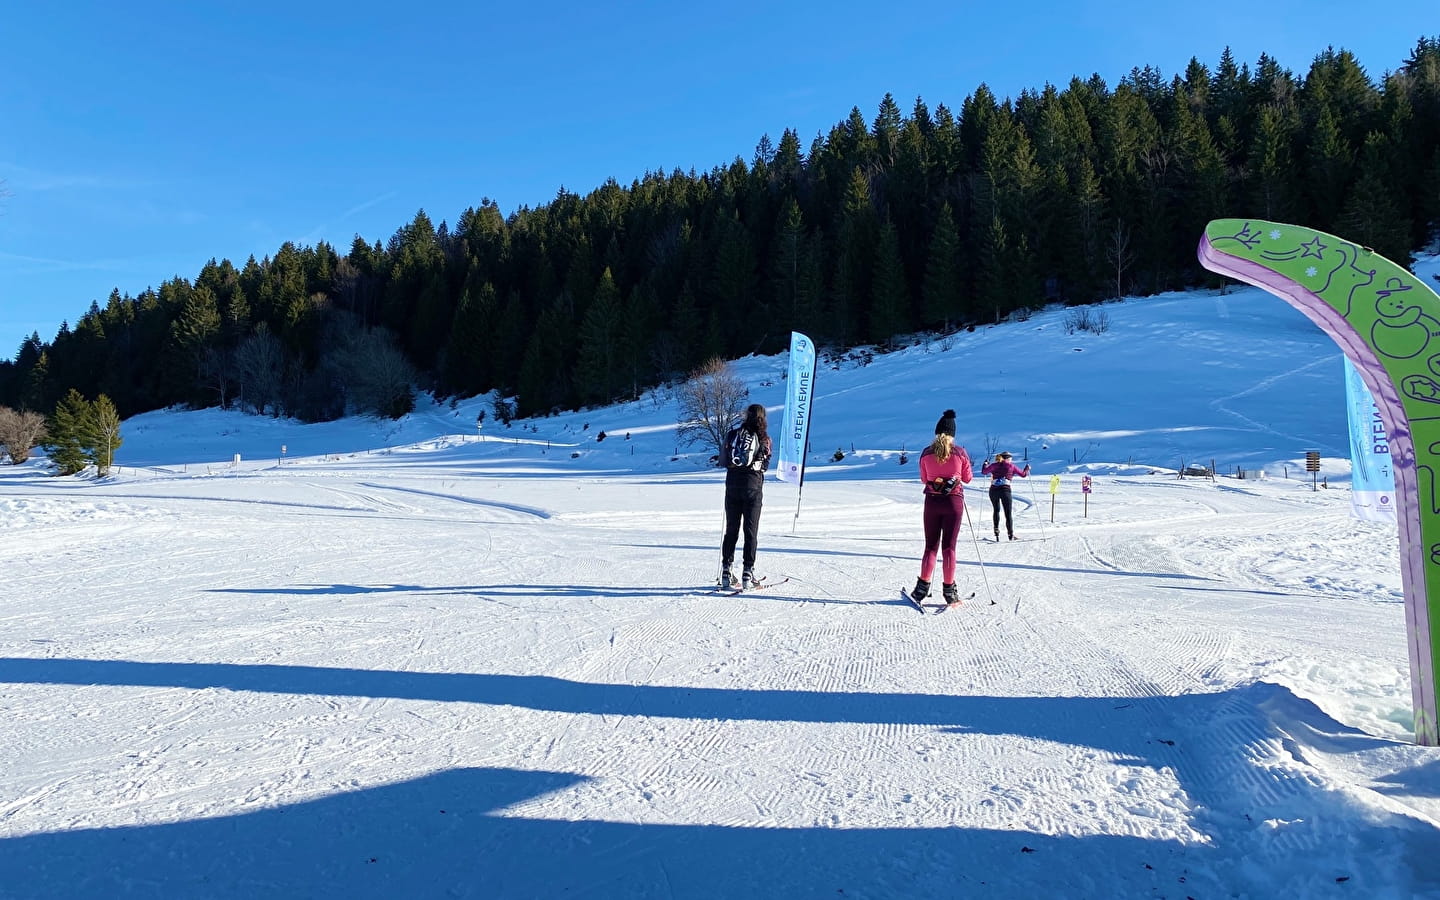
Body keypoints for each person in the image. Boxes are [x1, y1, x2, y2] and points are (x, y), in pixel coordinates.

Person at [912, 409, 973, 606]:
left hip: (932, 501)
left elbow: (923, 479)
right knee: (949, 547)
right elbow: (968, 478)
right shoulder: (960, 452)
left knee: (930, 546)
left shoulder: (926, 453)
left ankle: (922, 588)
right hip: (953, 502)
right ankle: (949, 591)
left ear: (936, 432)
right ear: (953, 434)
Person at [719, 403, 773, 590]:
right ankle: (747, 572)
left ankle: (726, 570)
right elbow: (765, 465)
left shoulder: (733, 435)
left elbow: (724, 461)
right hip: (753, 487)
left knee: (731, 530)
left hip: (732, 486)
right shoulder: (764, 438)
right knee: (750, 532)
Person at [982, 450, 1031, 540]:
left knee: (996, 510)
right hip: (1005, 490)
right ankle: (1010, 534)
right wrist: (1027, 468)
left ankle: (996, 531)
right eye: (1011, 459)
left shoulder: (994, 465)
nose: (1011, 460)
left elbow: (984, 472)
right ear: (1008, 458)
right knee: (1008, 513)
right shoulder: (1011, 466)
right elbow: (1023, 475)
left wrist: (985, 464)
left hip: (993, 490)